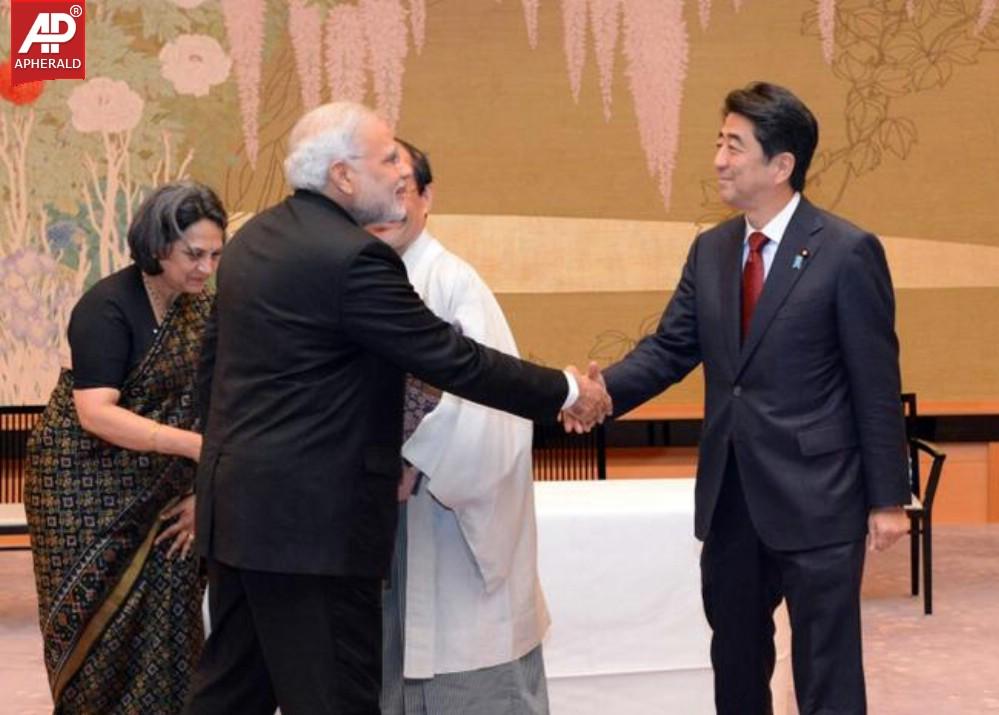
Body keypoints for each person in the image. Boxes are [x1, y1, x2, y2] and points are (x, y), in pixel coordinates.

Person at [183, 101, 609, 715]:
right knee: (336, 699)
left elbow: (213, 369)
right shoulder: (354, 258)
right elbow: (454, 360)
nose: (398, 173)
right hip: (314, 533)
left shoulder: (255, 239)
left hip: (242, 516)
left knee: (232, 690)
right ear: (343, 177)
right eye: (386, 160)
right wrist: (569, 391)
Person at [579, 82, 911, 714]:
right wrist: (599, 393)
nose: (719, 159)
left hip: (820, 497)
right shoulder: (712, 249)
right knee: (734, 661)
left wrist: (887, 498)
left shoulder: (846, 252)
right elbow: (672, 347)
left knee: (826, 672)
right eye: (718, 142)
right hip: (732, 497)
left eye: (734, 145)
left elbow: (875, 383)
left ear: (781, 165)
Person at [24, 181, 227, 714]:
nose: (205, 268)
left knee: (171, 631)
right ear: (159, 245)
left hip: (168, 492)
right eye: (193, 255)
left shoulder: (202, 309)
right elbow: (96, 413)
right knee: (98, 639)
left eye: (215, 254)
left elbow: (217, 400)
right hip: (82, 492)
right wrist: (196, 448)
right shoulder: (107, 306)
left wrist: (204, 490)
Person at [367, 140, 551, 714]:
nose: (390, 208)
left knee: (464, 680)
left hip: (440, 524)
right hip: (374, 527)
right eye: (380, 193)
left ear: (427, 198)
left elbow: (495, 417)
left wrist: (415, 462)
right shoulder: (360, 283)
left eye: (403, 192)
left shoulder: (453, 283)